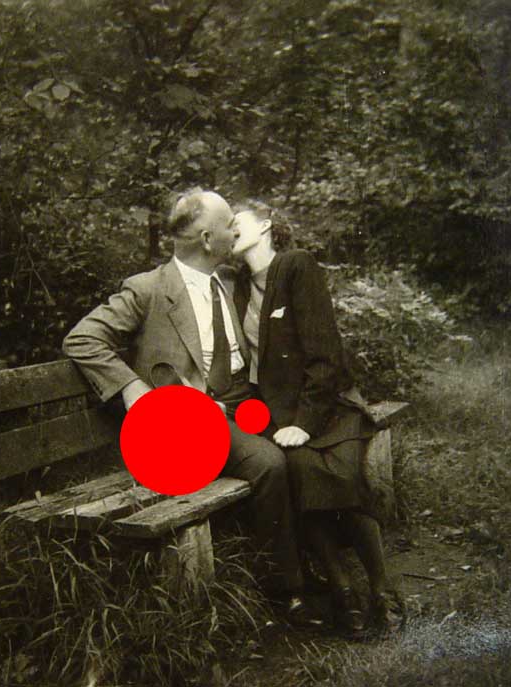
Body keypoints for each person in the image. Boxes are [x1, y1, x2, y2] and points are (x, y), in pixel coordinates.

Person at [62, 189, 314, 622]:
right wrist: (131, 388)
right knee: (269, 463)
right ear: (207, 239)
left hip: (243, 403)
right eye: (228, 226)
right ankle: (285, 589)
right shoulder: (149, 289)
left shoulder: (229, 281)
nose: (235, 231)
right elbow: (82, 339)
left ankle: (318, 564)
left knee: (308, 447)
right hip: (191, 421)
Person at [230, 199, 405, 635]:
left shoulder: (296, 266)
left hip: (328, 406)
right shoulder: (237, 285)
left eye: (236, 221)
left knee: (342, 476)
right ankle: (343, 592)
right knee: (301, 473)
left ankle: (382, 590)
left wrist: (304, 423)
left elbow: (326, 355)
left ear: (265, 225)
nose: (228, 228)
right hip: (279, 417)